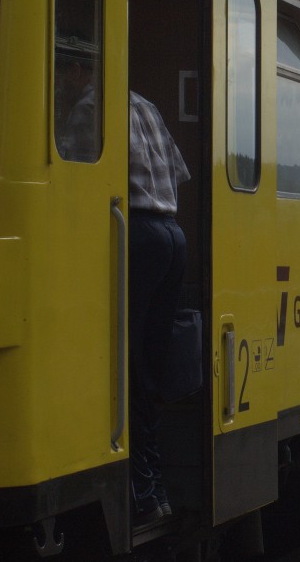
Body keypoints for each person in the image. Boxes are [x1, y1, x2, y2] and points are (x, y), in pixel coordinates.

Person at [126, 91, 190, 526]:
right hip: (171, 232)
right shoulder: (146, 105)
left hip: (138, 232)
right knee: (150, 365)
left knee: (126, 362)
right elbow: (178, 171)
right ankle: (157, 492)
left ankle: (142, 493)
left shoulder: (93, 107)